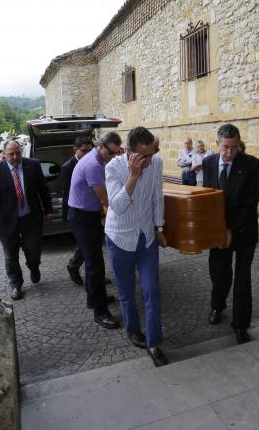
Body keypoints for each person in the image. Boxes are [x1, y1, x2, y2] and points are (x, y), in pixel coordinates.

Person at [105, 126, 169, 366]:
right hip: (119, 237)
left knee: (151, 289)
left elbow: (157, 197)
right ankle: (133, 329)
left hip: (146, 238)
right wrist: (132, 176)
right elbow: (117, 206)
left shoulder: (156, 163)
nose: (149, 160)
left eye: (152, 154)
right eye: (144, 156)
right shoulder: (113, 168)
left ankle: (154, 343)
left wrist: (159, 228)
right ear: (130, 153)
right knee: (127, 291)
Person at [203, 123, 259, 344]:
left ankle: (240, 325)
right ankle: (217, 306)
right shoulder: (208, 162)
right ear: (217, 144)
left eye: (235, 147)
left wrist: (231, 230)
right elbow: (208, 198)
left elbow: (250, 203)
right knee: (219, 273)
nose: (230, 153)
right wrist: (218, 229)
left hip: (244, 230)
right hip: (218, 230)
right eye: (226, 147)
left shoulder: (252, 164)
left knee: (242, 279)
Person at [68, 132, 122, 329]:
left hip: (89, 215)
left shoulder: (99, 159)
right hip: (81, 217)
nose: (113, 157)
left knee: (93, 262)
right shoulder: (92, 164)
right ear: (101, 146)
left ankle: (93, 298)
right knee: (95, 265)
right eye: (111, 153)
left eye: (116, 153)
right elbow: (105, 197)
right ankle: (100, 312)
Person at [0, 140, 52, 300]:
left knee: (34, 249)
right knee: (10, 255)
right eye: (11, 154)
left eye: (18, 152)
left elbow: (43, 189)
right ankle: (16, 284)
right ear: (4, 155)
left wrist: (48, 210)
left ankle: (34, 266)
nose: (16, 157)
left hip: (31, 218)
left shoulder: (33, 165)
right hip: (6, 221)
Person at [63, 135, 94, 285]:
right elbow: (68, 193)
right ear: (75, 150)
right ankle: (74, 266)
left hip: (92, 210)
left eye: (90, 150)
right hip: (78, 213)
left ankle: (94, 274)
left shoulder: (94, 163)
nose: (88, 154)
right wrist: (67, 216)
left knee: (89, 245)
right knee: (85, 245)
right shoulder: (68, 167)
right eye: (84, 151)